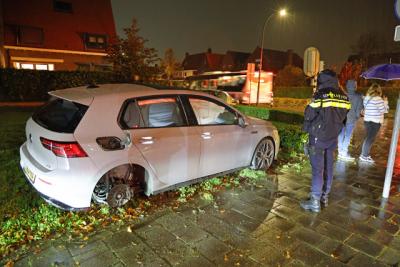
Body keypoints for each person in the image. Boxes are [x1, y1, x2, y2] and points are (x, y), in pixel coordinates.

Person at [301, 70, 351, 212]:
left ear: (321, 80)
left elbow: (308, 114)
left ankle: (315, 201)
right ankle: (324, 197)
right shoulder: (344, 97)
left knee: (318, 169)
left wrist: (306, 130)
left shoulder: (320, 95)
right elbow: (344, 117)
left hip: (318, 137)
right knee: (328, 167)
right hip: (332, 138)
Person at [359, 84, 389, 163]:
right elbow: (384, 111)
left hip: (367, 121)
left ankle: (365, 154)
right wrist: (385, 102)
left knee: (368, 138)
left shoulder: (367, 98)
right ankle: (364, 156)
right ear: (379, 90)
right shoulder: (378, 99)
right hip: (375, 122)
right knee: (370, 139)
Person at [337, 80, 363, 161]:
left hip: (341, 118)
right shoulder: (358, 97)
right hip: (351, 119)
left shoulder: (341, 95)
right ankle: (344, 153)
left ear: (347, 86)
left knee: (341, 134)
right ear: (355, 86)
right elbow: (359, 110)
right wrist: (356, 117)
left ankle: (340, 151)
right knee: (348, 136)